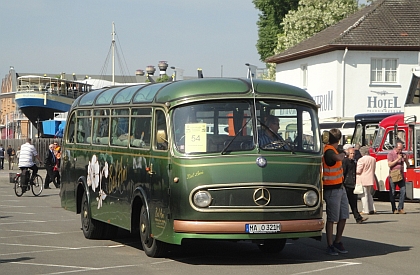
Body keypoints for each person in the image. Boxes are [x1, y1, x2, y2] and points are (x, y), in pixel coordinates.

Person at [322, 128, 349, 256]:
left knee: (343, 215)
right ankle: (330, 244)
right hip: (331, 189)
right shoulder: (328, 150)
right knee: (332, 218)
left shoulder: (332, 149)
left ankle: (337, 241)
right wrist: (343, 155)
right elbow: (336, 157)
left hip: (340, 187)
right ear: (338, 140)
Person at [342, 146, 368, 224]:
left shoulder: (354, 162)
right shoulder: (345, 161)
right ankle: (338, 218)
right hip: (346, 184)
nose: (352, 155)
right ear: (348, 154)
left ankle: (358, 218)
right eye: (351, 153)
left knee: (354, 203)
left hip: (352, 184)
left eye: (353, 153)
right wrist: (342, 183)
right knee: (343, 203)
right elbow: (343, 172)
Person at [387, 141, 409, 214]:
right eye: (399, 149)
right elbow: (389, 164)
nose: (400, 151)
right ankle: (394, 208)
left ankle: (400, 208)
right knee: (392, 192)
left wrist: (406, 160)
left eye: (401, 149)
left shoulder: (402, 154)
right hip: (393, 175)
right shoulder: (391, 154)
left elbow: (408, 165)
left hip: (401, 175)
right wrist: (397, 159)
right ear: (395, 148)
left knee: (403, 191)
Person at [356, 146, 376, 215]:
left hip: (363, 178)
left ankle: (365, 210)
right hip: (370, 178)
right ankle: (371, 208)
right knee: (369, 194)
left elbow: (358, 171)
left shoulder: (361, 160)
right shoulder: (373, 159)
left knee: (364, 195)